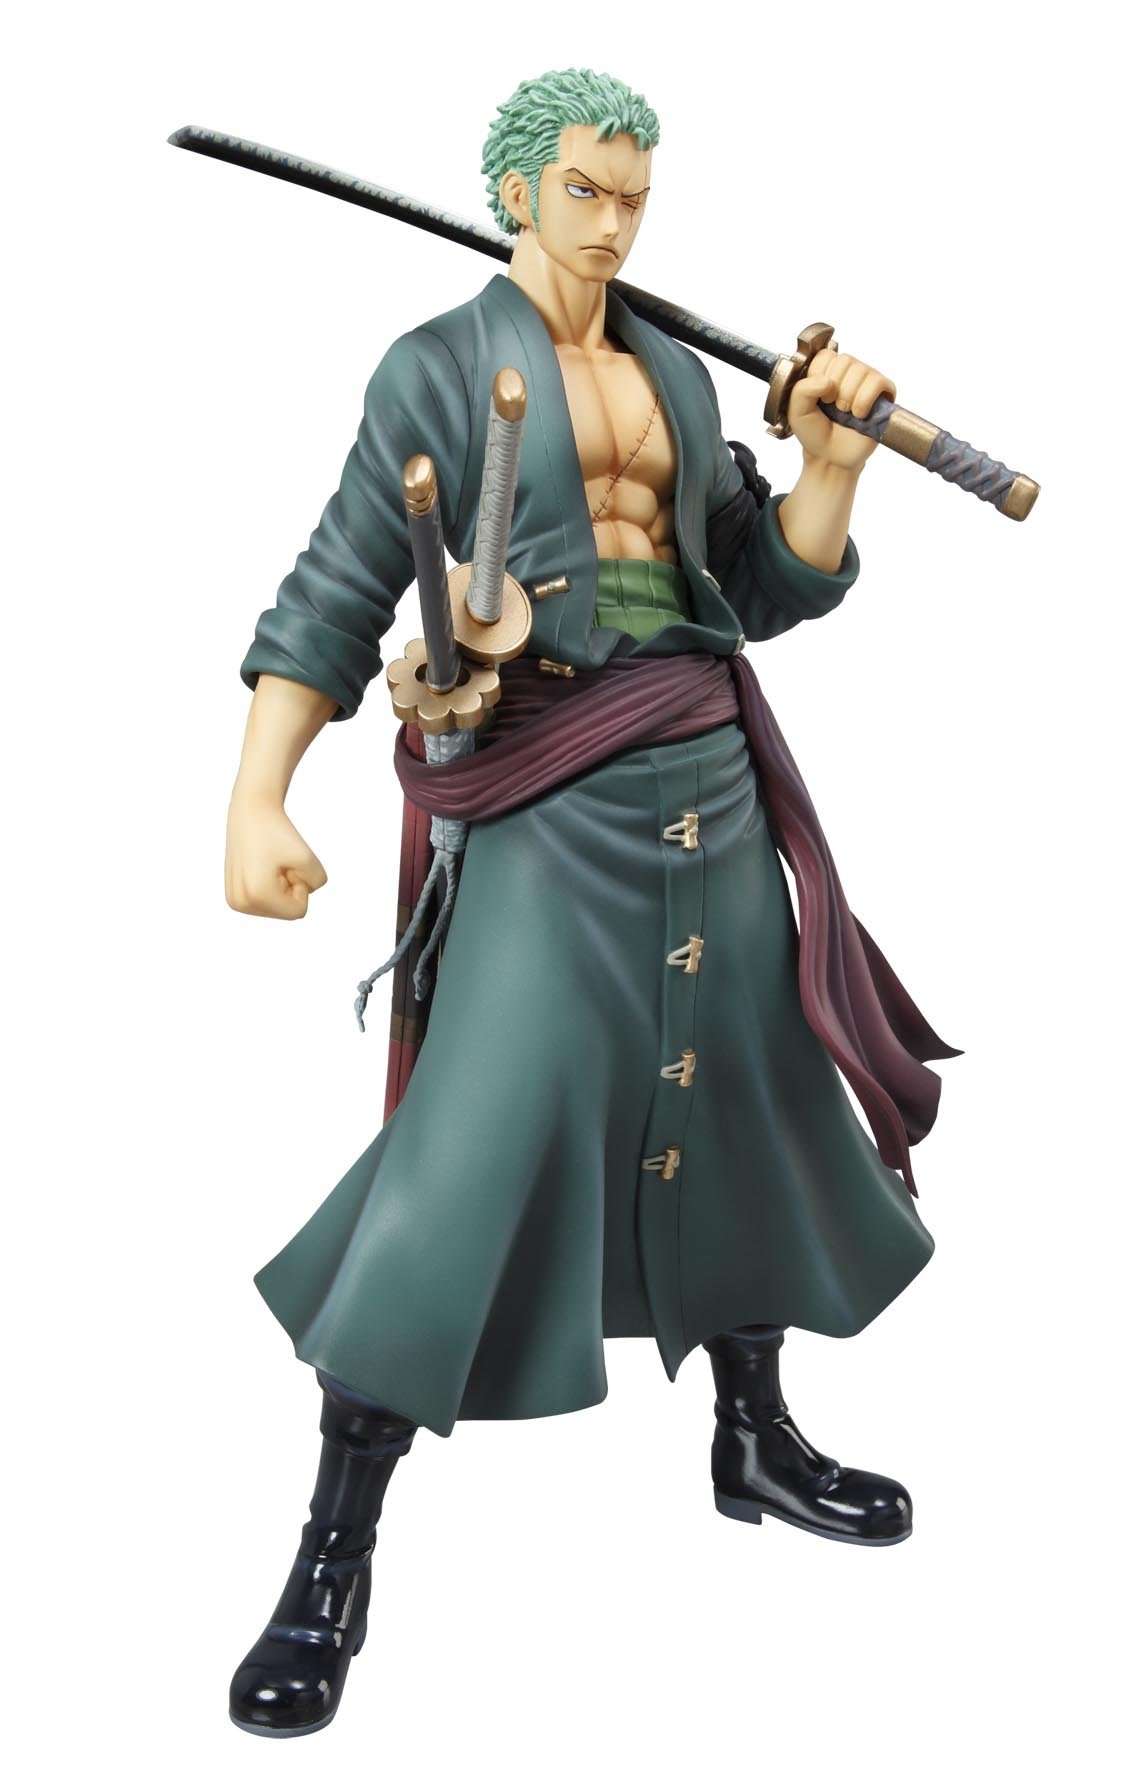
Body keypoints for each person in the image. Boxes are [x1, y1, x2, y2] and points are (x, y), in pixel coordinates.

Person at [223, 68, 952, 1739]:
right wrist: (257, 793)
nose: (613, 224)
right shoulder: (436, 368)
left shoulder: (674, 372)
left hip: (705, 771)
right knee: (470, 1141)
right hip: (546, 786)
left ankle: (751, 1433)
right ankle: (333, 1549)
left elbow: (748, 582)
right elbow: (337, 585)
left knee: (750, 1098)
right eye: (583, 193)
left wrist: (830, 467)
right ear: (515, 190)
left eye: (634, 196)